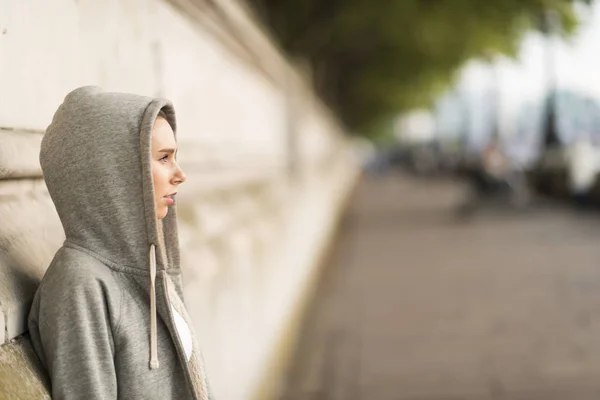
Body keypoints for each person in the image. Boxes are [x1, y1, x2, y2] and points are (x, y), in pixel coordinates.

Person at [27, 86, 213, 399]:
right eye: (163, 158)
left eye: (175, 157)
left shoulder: (150, 269)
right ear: (114, 169)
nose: (180, 174)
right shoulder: (80, 285)